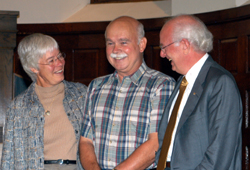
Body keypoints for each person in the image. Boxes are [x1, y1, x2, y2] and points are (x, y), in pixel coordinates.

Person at [79, 16, 175, 170]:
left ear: (141, 44)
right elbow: (85, 141)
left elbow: (156, 144)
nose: (116, 50)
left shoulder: (161, 85)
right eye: (110, 43)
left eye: (123, 42)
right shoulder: (96, 86)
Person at [155, 14, 242, 170]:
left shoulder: (220, 82)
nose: (162, 54)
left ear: (184, 45)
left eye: (164, 47)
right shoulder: (182, 82)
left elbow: (218, 156)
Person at [1, 33, 87, 170]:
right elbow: (8, 158)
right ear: (33, 68)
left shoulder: (81, 94)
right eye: (51, 60)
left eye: (60, 56)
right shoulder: (18, 107)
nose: (59, 63)